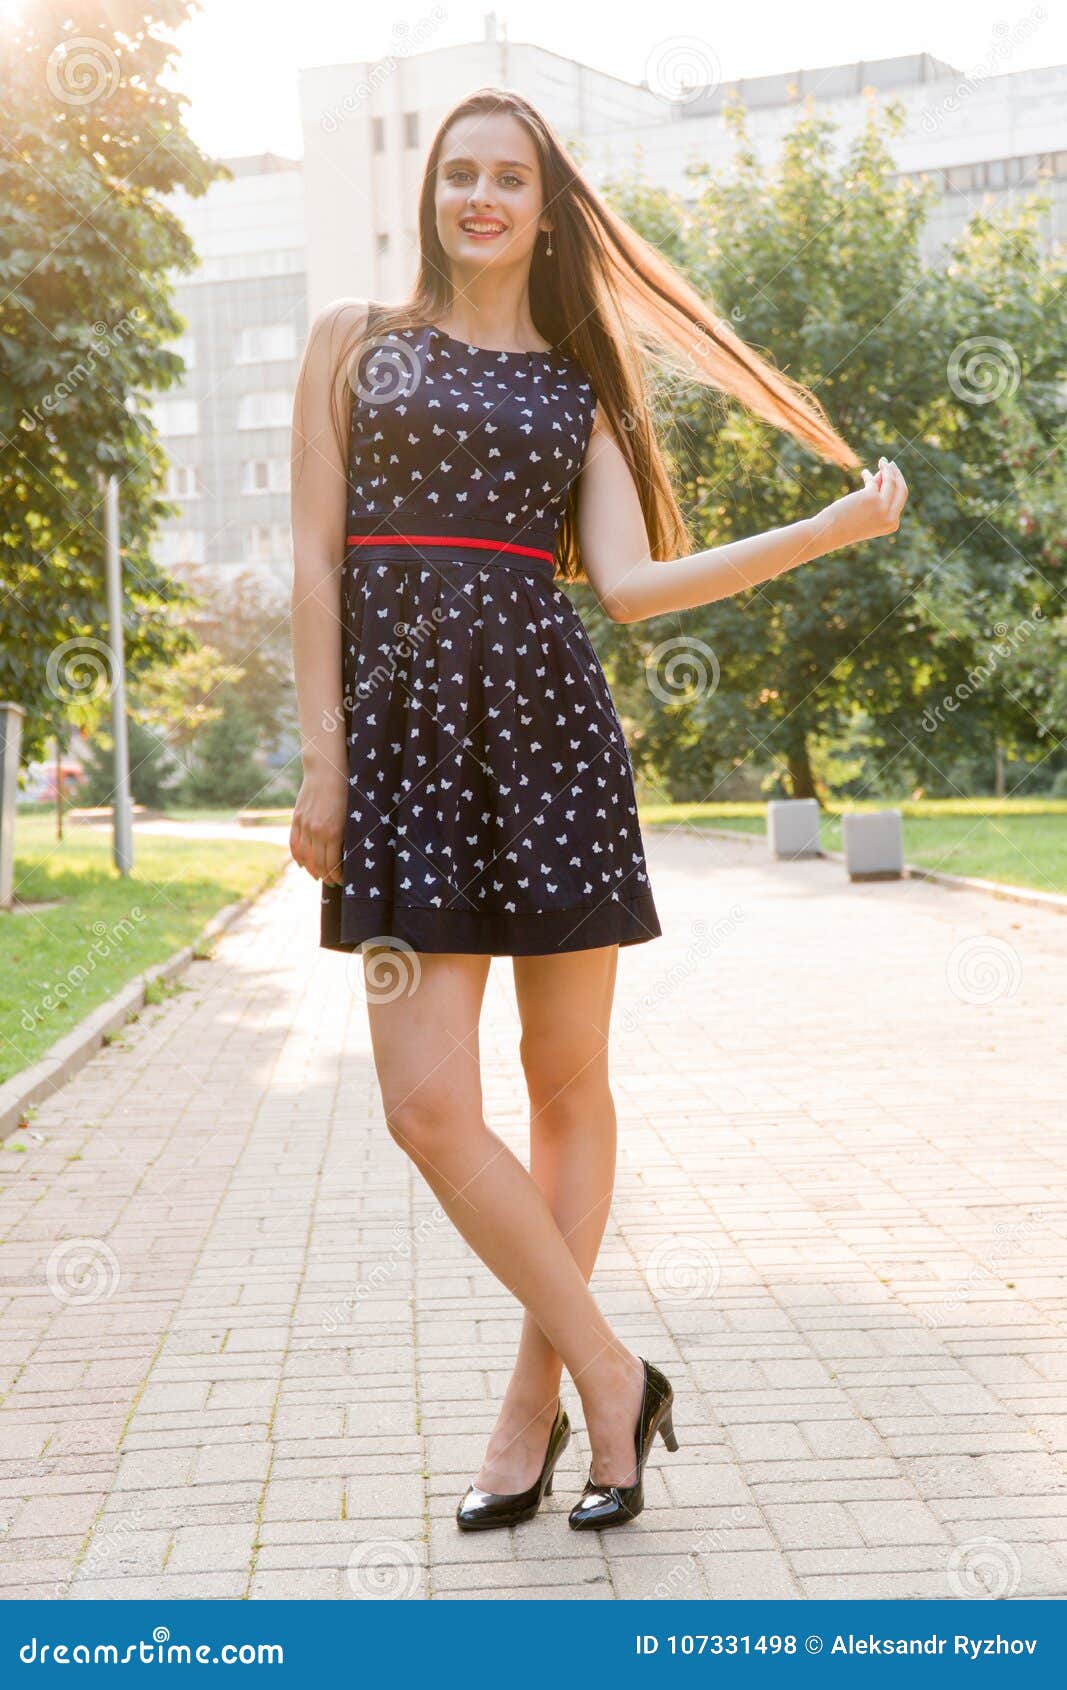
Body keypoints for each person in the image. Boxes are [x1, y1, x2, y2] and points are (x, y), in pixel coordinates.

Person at [288, 86, 908, 1534]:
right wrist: (322, 758)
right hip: (398, 759)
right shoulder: (351, 347)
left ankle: (538, 1413)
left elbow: (629, 591)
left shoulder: (576, 385)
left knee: (567, 1087)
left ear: (547, 208)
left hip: (552, 750)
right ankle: (615, 1368)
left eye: (509, 178)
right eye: (460, 175)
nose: (481, 198)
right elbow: (318, 566)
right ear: (429, 193)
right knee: (428, 1103)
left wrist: (821, 533)